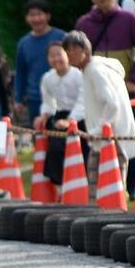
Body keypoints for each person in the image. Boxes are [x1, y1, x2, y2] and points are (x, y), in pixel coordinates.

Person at [62, 30, 135, 195]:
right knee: (105, 191)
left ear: (85, 50)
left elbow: (112, 104)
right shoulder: (94, 68)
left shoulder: (95, 71)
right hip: (108, 137)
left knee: (106, 193)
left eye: (73, 49)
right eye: (66, 50)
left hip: (109, 139)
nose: (69, 54)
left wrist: (97, 130)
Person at [75, 0, 135, 91]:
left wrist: (134, 79)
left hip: (126, 87)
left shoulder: (130, 19)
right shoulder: (83, 23)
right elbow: (77, 55)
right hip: (95, 87)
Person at [35, 41, 85, 187]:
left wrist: (71, 120)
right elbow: (48, 102)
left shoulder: (78, 75)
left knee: (82, 152)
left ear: (67, 55)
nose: (56, 59)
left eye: (59, 54)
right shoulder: (47, 78)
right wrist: (43, 115)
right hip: (60, 117)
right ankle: (60, 186)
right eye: (52, 56)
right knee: (55, 150)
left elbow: (83, 101)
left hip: (81, 118)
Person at [13, 0, 66, 121]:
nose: (36, 19)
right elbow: (21, 72)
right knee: (39, 137)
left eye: (39, 14)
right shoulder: (23, 43)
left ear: (48, 16)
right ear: (26, 18)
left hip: (61, 96)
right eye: (32, 15)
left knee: (61, 136)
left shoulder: (62, 37)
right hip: (35, 98)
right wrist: (18, 99)